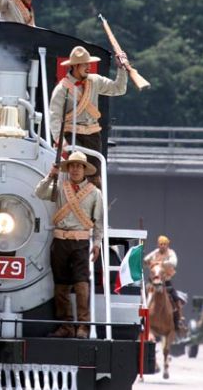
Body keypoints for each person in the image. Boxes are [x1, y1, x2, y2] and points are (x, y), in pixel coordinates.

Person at [34, 151, 103, 339]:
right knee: (61, 285)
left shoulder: (95, 193)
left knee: (82, 284)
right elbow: (39, 192)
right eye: (72, 166)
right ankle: (66, 325)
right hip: (60, 241)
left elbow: (99, 222)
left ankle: (83, 326)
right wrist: (50, 176)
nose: (74, 169)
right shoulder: (59, 187)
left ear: (84, 170)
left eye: (78, 166)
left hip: (80, 242)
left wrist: (96, 243)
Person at [49, 46, 128, 181]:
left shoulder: (95, 81)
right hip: (72, 134)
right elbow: (54, 118)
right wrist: (61, 142)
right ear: (75, 66)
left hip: (93, 135)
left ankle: (95, 200)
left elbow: (118, 89)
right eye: (85, 64)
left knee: (95, 177)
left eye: (88, 63)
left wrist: (121, 68)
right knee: (75, 174)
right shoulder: (62, 89)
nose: (88, 66)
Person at [144, 235, 186, 332]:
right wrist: (147, 261)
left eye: (164, 244)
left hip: (165, 281)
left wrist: (162, 263)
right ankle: (143, 316)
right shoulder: (155, 252)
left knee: (175, 297)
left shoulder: (171, 253)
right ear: (158, 244)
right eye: (161, 244)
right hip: (153, 281)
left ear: (167, 245)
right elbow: (147, 259)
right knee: (145, 295)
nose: (162, 246)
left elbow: (173, 262)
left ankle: (179, 318)